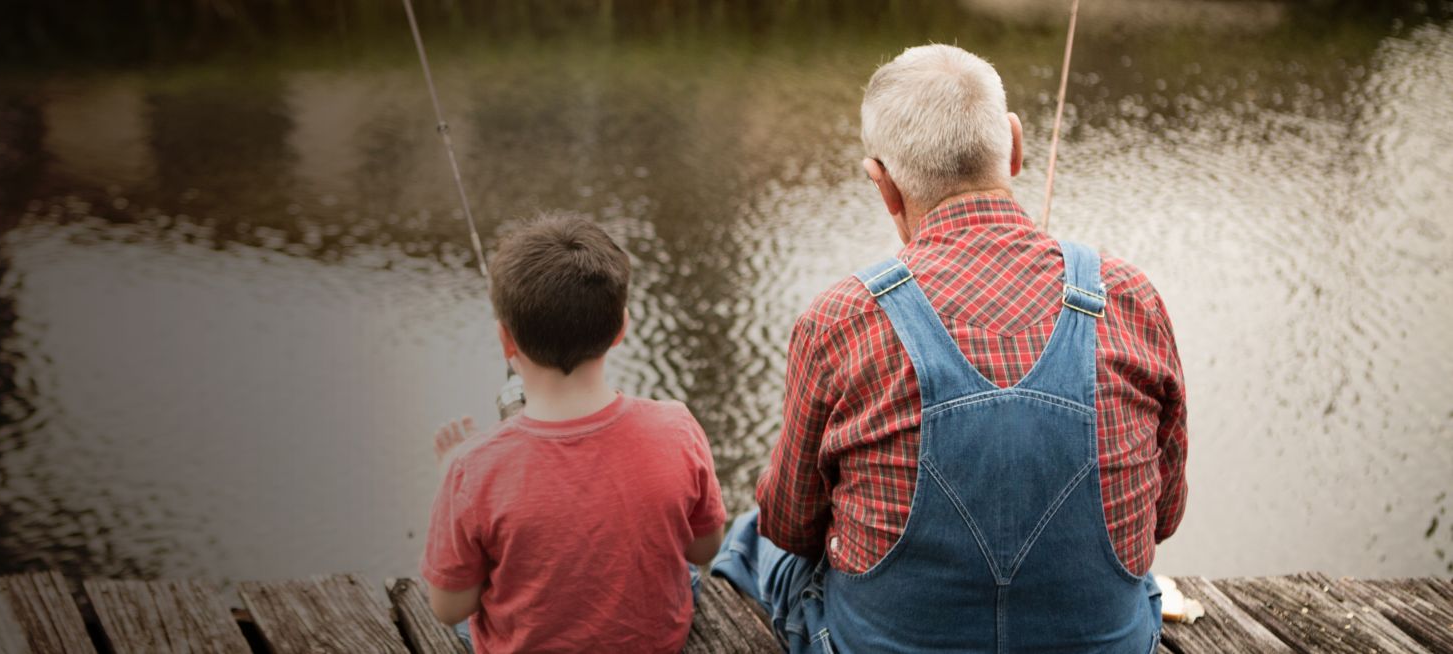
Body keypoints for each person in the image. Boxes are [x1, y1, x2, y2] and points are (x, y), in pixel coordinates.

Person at [715, 44, 1188, 652]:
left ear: (882, 183)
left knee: (758, 531)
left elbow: (793, 524)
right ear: (1014, 146)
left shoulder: (840, 320)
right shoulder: (1130, 299)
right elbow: (1164, 516)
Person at [421, 214, 728, 653]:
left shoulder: (472, 468)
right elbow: (704, 549)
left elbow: (450, 607)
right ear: (620, 328)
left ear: (506, 342)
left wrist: (452, 477)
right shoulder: (677, 425)